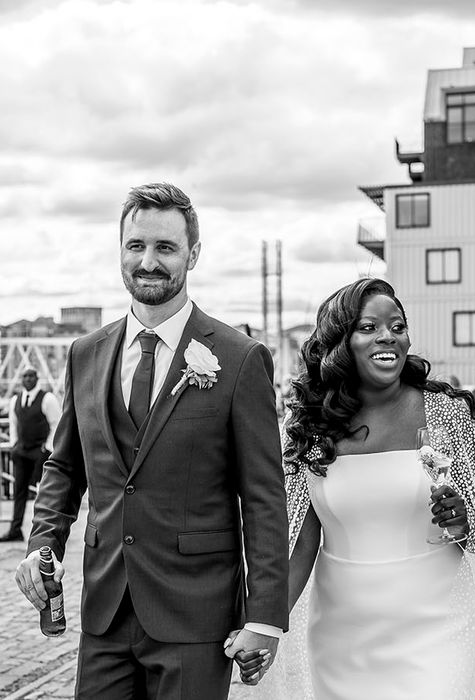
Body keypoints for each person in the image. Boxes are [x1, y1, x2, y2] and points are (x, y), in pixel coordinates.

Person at [14, 183, 288, 699]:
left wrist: (266, 617)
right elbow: (65, 466)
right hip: (105, 611)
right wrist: (41, 544)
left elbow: (264, 496)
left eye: (166, 247)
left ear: (193, 254)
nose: (149, 261)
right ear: (120, 251)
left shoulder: (240, 358)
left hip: (196, 616)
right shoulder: (85, 353)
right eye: (136, 246)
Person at [239, 278, 475, 698]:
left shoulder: (447, 414)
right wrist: (266, 627)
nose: (388, 336)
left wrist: (462, 521)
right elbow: (300, 545)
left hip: (438, 624)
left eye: (397, 326)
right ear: (340, 342)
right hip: (343, 636)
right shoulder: (311, 428)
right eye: (368, 328)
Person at [0, 367, 61, 543]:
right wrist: (14, 445)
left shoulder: (47, 399)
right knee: (19, 492)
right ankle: (15, 530)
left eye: (31, 376)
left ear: (37, 378)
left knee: (44, 493)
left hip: (40, 451)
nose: (28, 379)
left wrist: (47, 449)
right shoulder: (15, 400)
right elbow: (13, 423)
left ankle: (43, 533)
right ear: (21, 380)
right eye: (25, 376)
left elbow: (56, 424)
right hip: (21, 451)